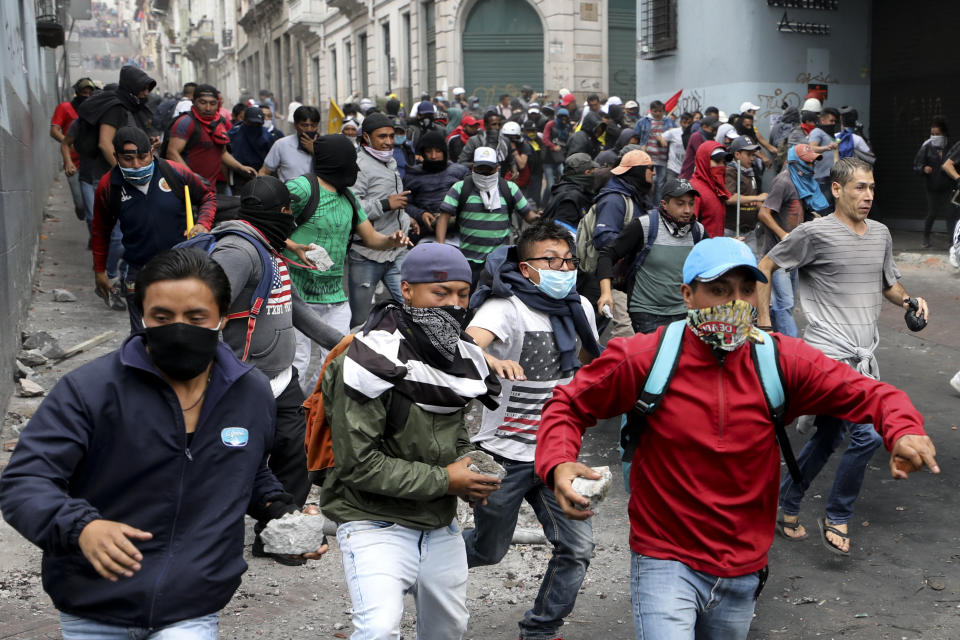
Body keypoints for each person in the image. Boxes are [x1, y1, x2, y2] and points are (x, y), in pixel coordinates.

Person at [536, 235, 939, 639]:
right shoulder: (645, 358)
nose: (736, 303)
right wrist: (558, 461)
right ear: (687, 295)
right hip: (664, 555)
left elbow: (869, 392)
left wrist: (902, 428)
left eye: (746, 289)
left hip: (744, 564)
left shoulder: (781, 360)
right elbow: (569, 403)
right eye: (718, 290)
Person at [0, 248, 328, 639]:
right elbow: (25, 481)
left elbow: (247, 467)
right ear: (141, 316)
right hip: (95, 604)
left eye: (195, 317)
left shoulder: (250, 391)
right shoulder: (89, 390)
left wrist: (280, 511)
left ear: (222, 317)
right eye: (162, 317)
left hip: (192, 604)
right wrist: (82, 528)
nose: (179, 328)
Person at [319, 243, 503, 640]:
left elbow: (453, 436)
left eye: (462, 294)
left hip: (438, 523)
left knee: (448, 629)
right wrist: (447, 480)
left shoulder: (458, 358)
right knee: (379, 629)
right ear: (406, 291)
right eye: (440, 293)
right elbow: (358, 465)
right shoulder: (368, 360)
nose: (453, 304)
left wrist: (471, 468)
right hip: (373, 521)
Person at [757, 157, 931, 555]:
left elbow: (888, 283)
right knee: (868, 433)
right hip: (827, 356)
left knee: (830, 435)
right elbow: (765, 266)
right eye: (859, 188)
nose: (867, 195)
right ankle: (837, 514)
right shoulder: (812, 234)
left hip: (863, 358)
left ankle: (787, 502)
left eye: (871, 187)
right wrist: (765, 325)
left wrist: (910, 301)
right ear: (836, 190)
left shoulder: (881, 234)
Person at [464, 221, 601, 640]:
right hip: (502, 455)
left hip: (555, 454)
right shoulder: (505, 308)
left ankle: (540, 631)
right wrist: (491, 360)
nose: (563, 268)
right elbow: (466, 344)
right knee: (489, 551)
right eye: (551, 260)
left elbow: (584, 363)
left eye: (568, 260)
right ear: (526, 268)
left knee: (578, 548)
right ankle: (418, 560)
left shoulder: (581, 308)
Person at [208, 176, 344, 562]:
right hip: (243, 382)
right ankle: (213, 542)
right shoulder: (238, 251)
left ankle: (275, 538)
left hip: (282, 380)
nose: (290, 218)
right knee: (236, 463)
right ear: (272, 213)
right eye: (286, 211)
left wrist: (344, 343)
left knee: (298, 454)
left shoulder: (268, 248)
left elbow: (295, 309)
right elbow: (205, 309)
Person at [284, 134, 411, 394]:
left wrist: (392, 240)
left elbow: (372, 239)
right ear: (335, 160)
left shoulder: (349, 198)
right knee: (299, 359)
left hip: (334, 298)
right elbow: (267, 223)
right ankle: (293, 416)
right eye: (351, 160)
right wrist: (291, 245)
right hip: (297, 295)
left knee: (337, 358)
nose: (355, 167)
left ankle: (312, 406)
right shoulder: (301, 188)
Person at [92, 127, 216, 329]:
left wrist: (203, 223)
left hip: (182, 269)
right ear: (116, 157)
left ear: (152, 152)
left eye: (143, 157)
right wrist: (100, 271)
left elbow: (207, 196)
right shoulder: (108, 186)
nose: (137, 165)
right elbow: (100, 229)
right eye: (128, 159)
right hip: (138, 271)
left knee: (181, 330)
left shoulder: (175, 172)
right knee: (141, 337)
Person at [596, 177, 707, 334]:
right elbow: (607, 254)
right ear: (664, 204)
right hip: (646, 312)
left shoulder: (698, 231)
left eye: (691, 203)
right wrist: (606, 293)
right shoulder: (644, 226)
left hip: (684, 313)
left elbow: (710, 264)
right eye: (680, 204)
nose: (688, 210)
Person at [349, 113, 416, 327]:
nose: (388, 142)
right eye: (382, 136)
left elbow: (395, 202)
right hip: (366, 254)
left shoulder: (390, 160)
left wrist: (406, 218)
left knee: (412, 310)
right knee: (359, 320)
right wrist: (386, 204)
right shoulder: (358, 165)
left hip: (397, 251)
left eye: (391, 135)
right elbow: (351, 207)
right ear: (366, 137)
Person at [436, 147, 536, 284]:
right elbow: (444, 217)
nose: (485, 174)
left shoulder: (510, 188)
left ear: (497, 168)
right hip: (467, 261)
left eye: (489, 170)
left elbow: (529, 216)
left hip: (499, 262)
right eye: (480, 169)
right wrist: (440, 246)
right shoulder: (460, 188)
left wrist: (542, 218)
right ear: (473, 168)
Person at [166, 84, 256, 193]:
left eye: (212, 103)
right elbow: (172, 152)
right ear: (194, 102)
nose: (208, 108)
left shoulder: (219, 123)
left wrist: (241, 168)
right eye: (203, 103)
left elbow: (222, 153)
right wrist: (192, 178)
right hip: (186, 189)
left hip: (210, 189)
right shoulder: (186, 122)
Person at [404, 130, 470, 242]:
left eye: (438, 151)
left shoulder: (460, 172)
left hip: (460, 231)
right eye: (429, 151)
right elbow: (405, 204)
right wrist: (421, 214)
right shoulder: (412, 175)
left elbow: (473, 198)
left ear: (444, 152)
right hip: (424, 233)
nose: (434, 156)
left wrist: (456, 214)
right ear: (423, 153)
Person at [51, 77, 96, 221]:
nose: (87, 96)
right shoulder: (65, 108)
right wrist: (69, 143)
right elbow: (54, 130)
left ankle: (93, 239)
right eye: (84, 92)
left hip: (91, 163)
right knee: (81, 205)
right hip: (73, 163)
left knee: (94, 209)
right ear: (77, 92)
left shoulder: (95, 111)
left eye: (90, 93)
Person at [914, 117, 955, 248]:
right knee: (932, 212)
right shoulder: (927, 147)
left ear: (944, 134)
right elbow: (916, 165)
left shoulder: (952, 147)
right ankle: (926, 237)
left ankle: (952, 241)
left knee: (950, 214)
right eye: (933, 134)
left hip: (948, 186)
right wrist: (923, 169)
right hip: (932, 187)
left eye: (938, 134)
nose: (934, 137)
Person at [724, 136, 768, 251]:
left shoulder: (750, 171)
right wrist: (758, 197)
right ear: (737, 155)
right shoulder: (731, 171)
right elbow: (730, 198)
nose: (752, 158)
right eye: (749, 154)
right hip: (733, 231)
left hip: (750, 231)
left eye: (753, 154)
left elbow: (753, 201)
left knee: (751, 263)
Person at [259, 105, 320, 182]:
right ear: (295, 125)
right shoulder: (281, 145)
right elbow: (264, 172)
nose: (309, 129)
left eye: (313, 126)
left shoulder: (326, 146)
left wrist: (315, 151)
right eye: (304, 125)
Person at [635, 100, 676, 205]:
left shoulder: (669, 122)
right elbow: (636, 136)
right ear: (651, 110)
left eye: (660, 111)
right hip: (649, 158)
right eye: (655, 111)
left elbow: (676, 136)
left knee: (660, 184)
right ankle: (646, 204)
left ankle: (657, 206)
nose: (657, 113)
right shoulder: (643, 121)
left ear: (663, 111)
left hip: (663, 158)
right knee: (649, 182)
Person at [690, 141, 732, 239]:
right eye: (717, 162)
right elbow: (689, 230)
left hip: (716, 249)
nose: (721, 166)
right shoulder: (694, 189)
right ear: (703, 161)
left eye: (724, 162)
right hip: (702, 250)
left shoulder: (716, 188)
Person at [227, 106, 275, 190]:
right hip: (239, 174)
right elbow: (225, 156)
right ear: (244, 121)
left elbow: (273, 159)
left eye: (258, 124)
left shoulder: (267, 137)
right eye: (251, 123)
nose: (254, 126)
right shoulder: (233, 135)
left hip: (262, 175)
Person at [542, 107, 573, 195]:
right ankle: (546, 204)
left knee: (563, 175)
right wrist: (553, 146)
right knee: (550, 185)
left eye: (565, 118)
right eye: (561, 117)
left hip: (559, 158)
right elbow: (545, 139)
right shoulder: (551, 124)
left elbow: (568, 140)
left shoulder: (567, 126)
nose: (563, 120)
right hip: (548, 159)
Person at [679, 115, 718, 179]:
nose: (714, 131)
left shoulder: (709, 137)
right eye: (712, 128)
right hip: (689, 175)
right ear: (704, 127)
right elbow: (702, 155)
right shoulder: (697, 136)